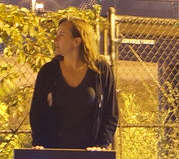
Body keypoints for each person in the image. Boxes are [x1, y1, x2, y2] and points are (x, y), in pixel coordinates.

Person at [29, 17, 118, 149]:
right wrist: (40, 145)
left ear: (77, 41)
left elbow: (111, 113)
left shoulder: (100, 70)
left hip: (90, 153)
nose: (55, 39)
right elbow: (37, 112)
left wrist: (101, 146)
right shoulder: (49, 71)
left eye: (62, 35)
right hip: (54, 152)